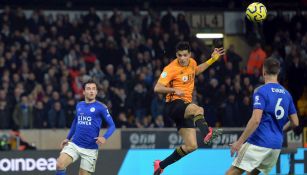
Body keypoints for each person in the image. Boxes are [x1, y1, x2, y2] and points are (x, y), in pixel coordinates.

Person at [153, 41, 225, 175]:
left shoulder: (192, 62)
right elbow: (157, 88)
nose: (182, 58)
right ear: (176, 55)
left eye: (185, 55)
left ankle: (161, 165)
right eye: (179, 55)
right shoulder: (170, 68)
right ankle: (207, 133)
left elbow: (197, 70)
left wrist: (213, 59)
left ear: (189, 54)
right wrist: (174, 90)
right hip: (174, 105)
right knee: (198, 110)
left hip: (184, 107)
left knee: (191, 146)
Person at [226, 58, 299, 175]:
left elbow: (256, 120)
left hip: (259, 142)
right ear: (278, 72)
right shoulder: (287, 94)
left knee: (232, 172)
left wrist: (239, 142)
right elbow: (295, 122)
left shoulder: (261, 91)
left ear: (263, 72)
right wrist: (281, 130)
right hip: (275, 146)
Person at [55, 79, 116, 175]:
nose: (91, 91)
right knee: (59, 164)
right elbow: (75, 121)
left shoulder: (101, 107)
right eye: (88, 89)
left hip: (90, 148)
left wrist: (104, 137)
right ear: (83, 92)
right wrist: (67, 138)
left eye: (93, 89)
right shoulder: (79, 105)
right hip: (75, 144)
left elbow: (112, 125)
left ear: (96, 92)